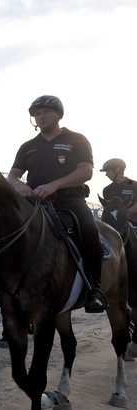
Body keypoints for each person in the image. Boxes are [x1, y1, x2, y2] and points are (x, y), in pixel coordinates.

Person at [7, 95, 108, 313]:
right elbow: (13, 176)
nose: (41, 116)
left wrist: (54, 185)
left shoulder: (76, 139)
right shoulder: (27, 147)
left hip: (69, 199)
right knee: (7, 232)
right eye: (37, 113)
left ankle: (93, 289)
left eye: (46, 112)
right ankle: (5, 290)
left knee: (90, 231)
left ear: (58, 114)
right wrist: (19, 186)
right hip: (34, 201)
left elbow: (86, 171)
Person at [101, 158, 137, 226]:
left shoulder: (135, 185)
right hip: (113, 220)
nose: (106, 174)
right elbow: (108, 208)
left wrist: (122, 215)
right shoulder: (107, 190)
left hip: (133, 219)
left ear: (117, 170)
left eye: (108, 171)